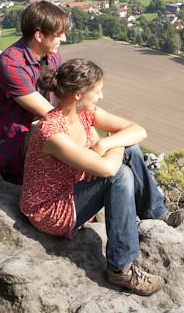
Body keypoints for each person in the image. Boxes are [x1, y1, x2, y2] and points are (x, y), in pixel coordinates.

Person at [19, 58, 169, 295]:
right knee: (120, 174)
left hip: (73, 190)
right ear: (78, 94)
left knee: (129, 148)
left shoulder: (84, 114)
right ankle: (120, 268)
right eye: (97, 91)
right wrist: (112, 143)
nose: (100, 96)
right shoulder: (51, 133)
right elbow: (109, 170)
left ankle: (155, 213)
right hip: (50, 210)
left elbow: (139, 131)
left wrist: (107, 142)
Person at [0, 1, 70, 184]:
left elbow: (67, 97)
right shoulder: (11, 64)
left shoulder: (51, 55)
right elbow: (50, 114)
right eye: (58, 35)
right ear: (39, 35)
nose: (64, 39)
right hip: (10, 150)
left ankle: (147, 210)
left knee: (126, 154)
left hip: (41, 135)